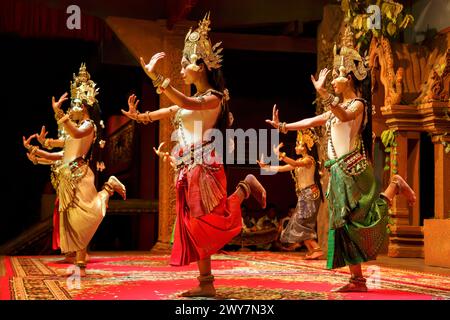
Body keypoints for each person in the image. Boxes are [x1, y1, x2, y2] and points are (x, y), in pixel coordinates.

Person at [121, 13, 266, 297]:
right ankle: (206, 284)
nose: (183, 68)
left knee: (206, 224)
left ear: (200, 66)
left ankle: (243, 189)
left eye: (187, 63)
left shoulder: (214, 97)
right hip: (187, 169)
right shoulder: (192, 102)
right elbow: (172, 110)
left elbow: (185, 102)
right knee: (191, 225)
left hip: (205, 167)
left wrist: (157, 77)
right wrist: (142, 116)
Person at [265, 26, 416, 292]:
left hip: (354, 170)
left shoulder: (358, 104)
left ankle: (394, 187)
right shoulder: (334, 108)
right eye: (333, 76)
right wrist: (284, 126)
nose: (333, 79)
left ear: (350, 78)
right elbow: (313, 119)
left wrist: (324, 94)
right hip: (337, 172)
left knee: (361, 220)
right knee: (343, 225)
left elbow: (344, 116)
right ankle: (357, 279)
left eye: (337, 75)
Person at [23, 64, 126, 276]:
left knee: (87, 216)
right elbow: (62, 153)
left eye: (75, 105)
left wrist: (59, 113)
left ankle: (108, 187)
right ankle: (80, 263)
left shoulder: (89, 126)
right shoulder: (73, 130)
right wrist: (37, 150)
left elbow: (76, 135)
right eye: (70, 106)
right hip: (67, 177)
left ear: (85, 106)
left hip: (80, 175)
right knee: (74, 221)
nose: (72, 108)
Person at [258, 129, 324, 259]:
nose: (296, 146)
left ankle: (316, 248)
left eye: (299, 144)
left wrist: (281, 155)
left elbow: (293, 163)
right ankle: (312, 250)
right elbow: (282, 168)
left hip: (310, 194)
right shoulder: (300, 161)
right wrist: (266, 167)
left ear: (306, 146)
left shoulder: (309, 160)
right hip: (304, 195)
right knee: (299, 223)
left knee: (300, 223)